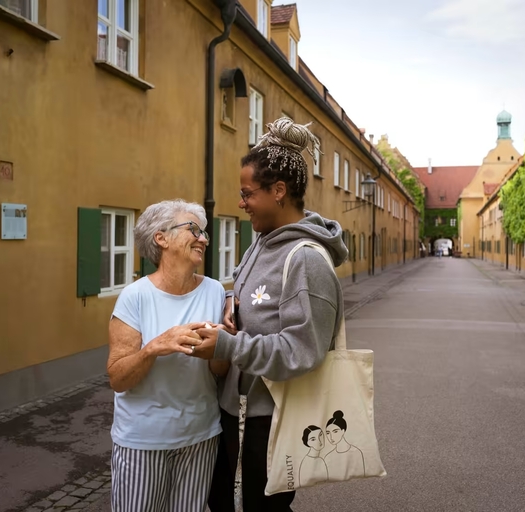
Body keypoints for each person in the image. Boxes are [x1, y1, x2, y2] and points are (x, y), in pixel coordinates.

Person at [193, 117, 348, 511]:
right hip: (236, 410)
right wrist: (231, 305)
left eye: (247, 194)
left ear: (279, 191)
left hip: (269, 420)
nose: (241, 203)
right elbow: (244, 290)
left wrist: (228, 343)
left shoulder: (307, 261)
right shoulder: (260, 243)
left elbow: (303, 351)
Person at [106, 199, 228, 512]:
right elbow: (118, 378)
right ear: (162, 238)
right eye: (194, 230)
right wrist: (154, 347)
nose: (202, 239)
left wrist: (223, 344)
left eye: (205, 233)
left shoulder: (215, 292)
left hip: (200, 436)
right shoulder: (135, 297)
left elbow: (220, 370)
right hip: (143, 440)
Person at [324, 410, 365, 481]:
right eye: (328, 433)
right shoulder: (328, 456)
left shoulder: (356, 452)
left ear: (343, 431)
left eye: (335, 431)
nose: (331, 436)